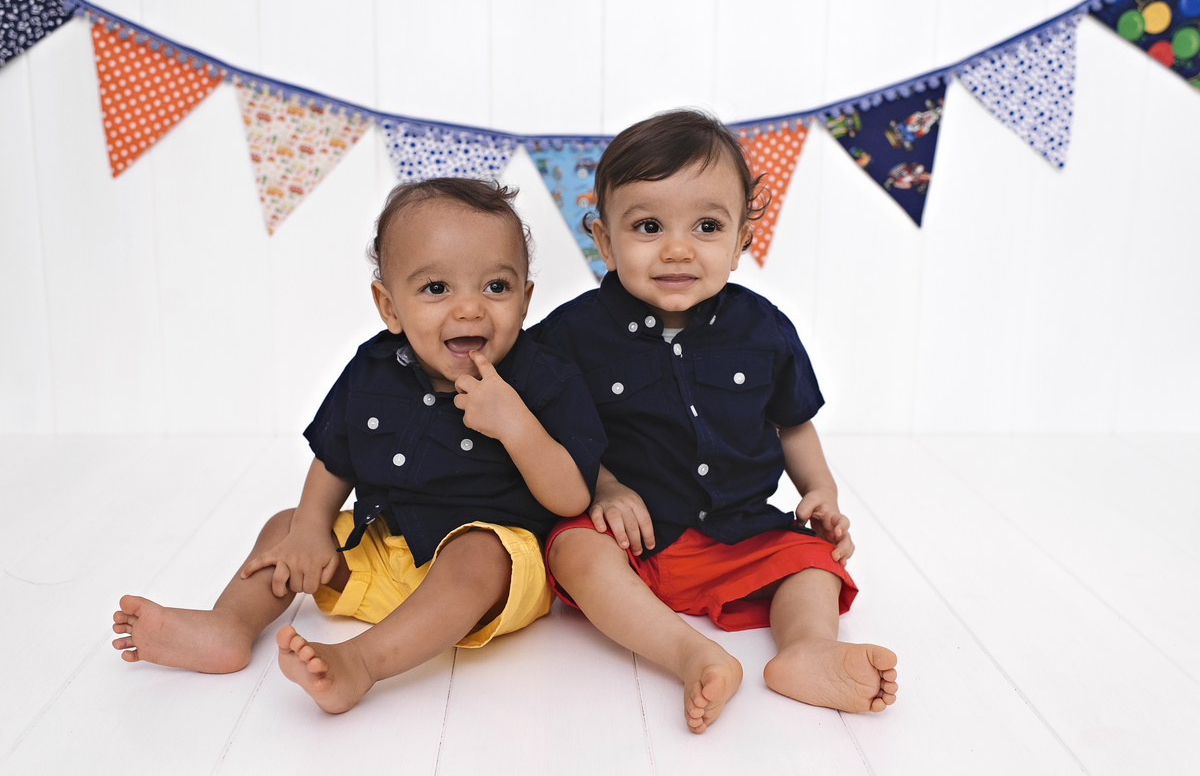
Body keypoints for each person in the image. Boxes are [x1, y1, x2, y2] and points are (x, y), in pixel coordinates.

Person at [111, 178, 606, 713]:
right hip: (385, 550)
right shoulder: (373, 367)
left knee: (479, 553)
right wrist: (309, 530)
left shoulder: (545, 379)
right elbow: (335, 456)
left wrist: (516, 425)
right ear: (389, 306)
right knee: (287, 525)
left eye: (495, 286)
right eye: (436, 288)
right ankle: (228, 625)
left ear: (525, 299)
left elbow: (571, 498)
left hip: (488, 579)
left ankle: (362, 662)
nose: (469, 309)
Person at [529, 110, 898, 733]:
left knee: (813, 562)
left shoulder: (764, 329)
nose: (677, 249)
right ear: (604, 240)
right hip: (634, 541)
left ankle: (806, 650)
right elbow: (546, 431)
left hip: (742, 533)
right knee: (573, 552)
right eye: (648, 226)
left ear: (741, 240)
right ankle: (690, 654)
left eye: (707, 226)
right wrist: (604, 487)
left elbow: (792, 424)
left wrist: (821, 491)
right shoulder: (570, 336)